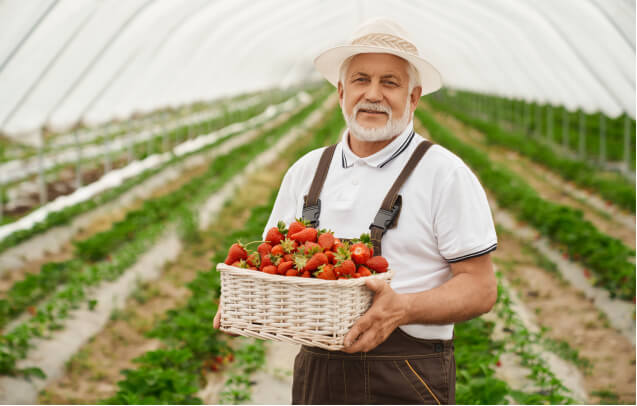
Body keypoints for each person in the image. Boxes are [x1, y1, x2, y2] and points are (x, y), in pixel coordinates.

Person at [215, 18, 497, 404]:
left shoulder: (444, 174)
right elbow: (270, 263)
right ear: (341, 92)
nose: (374, 94)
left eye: (390, 82)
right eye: (362, 80)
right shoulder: (307, 171)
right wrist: (244, 300)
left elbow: (480, 288)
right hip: (319, 374)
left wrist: (403, 309)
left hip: (405, 375)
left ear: (413, 98)